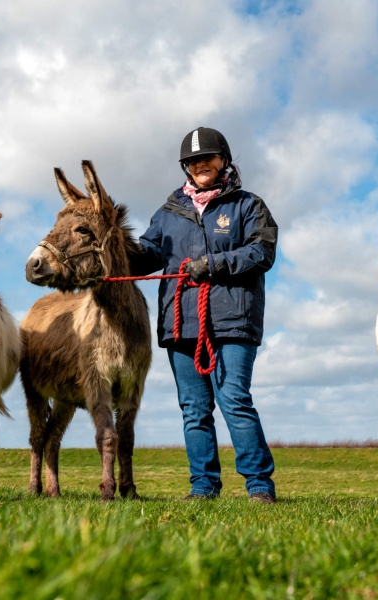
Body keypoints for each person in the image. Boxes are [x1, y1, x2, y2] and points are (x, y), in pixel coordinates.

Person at [132, 127, 278, 504]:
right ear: (186, 168)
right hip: (181, 323)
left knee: (234, 400)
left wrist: (210, 265)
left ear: (223, 161)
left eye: (207, 158)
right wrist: (111, 253)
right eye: (193, 161)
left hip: (233, 320)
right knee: (194, 409)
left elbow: (261, 253)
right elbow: (148, 253)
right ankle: (203, 486)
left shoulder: (248, 205)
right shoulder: (167, 213)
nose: (200, 165)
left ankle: (259, 486)